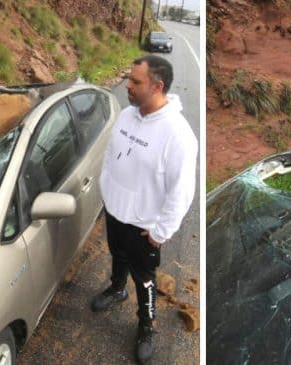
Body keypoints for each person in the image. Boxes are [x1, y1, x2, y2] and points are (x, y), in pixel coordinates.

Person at [92, 55, 198, 364]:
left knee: (145, 278)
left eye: (135, 81)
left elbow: (182, 191)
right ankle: (116, 289)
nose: (127, 85)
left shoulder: (178, 135)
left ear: (157, 86)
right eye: (128, 78)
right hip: (116, 212)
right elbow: (112, 156)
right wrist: (107, 192)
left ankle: (145, 325)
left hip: (144, 227)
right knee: (117, 256)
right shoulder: (127, 115)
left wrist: (161, 232)